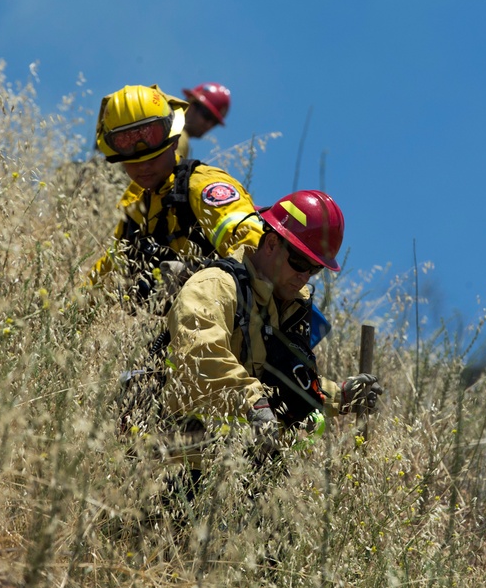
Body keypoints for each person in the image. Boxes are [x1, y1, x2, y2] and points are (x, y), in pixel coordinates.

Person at [156, 190, 382, 476]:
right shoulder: (215, 286)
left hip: (237, 472)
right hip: (175, 466)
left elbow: (284, 383)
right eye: (299, 262)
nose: (304, 276)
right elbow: (201, 355)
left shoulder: (284, 308)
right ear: (273, 243)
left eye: (314, 269)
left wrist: (341, 396)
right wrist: (254, 403)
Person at [88, 84, 262, 304]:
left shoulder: (201, 185)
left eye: (153, 157)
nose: (143, 167)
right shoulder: (136, 203)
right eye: (133, 161)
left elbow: (253, 248)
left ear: (174, 142)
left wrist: (197, 276)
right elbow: (111, 267)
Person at [176, 82, 231, 161]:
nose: (209, 125)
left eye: (214, 123)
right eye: (207, 116)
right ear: (191, 105)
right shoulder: (178, 137)